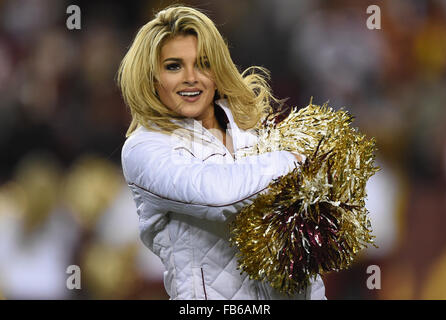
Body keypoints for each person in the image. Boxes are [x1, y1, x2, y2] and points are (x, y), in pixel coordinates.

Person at [117, 5, 326, 300]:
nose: (191, 77)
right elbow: (218, 195)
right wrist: (291, 162)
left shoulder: (253, 125)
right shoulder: (145, 148)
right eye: (174, 66)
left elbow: (303, 244)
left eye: (202, 63)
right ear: (152, 77)